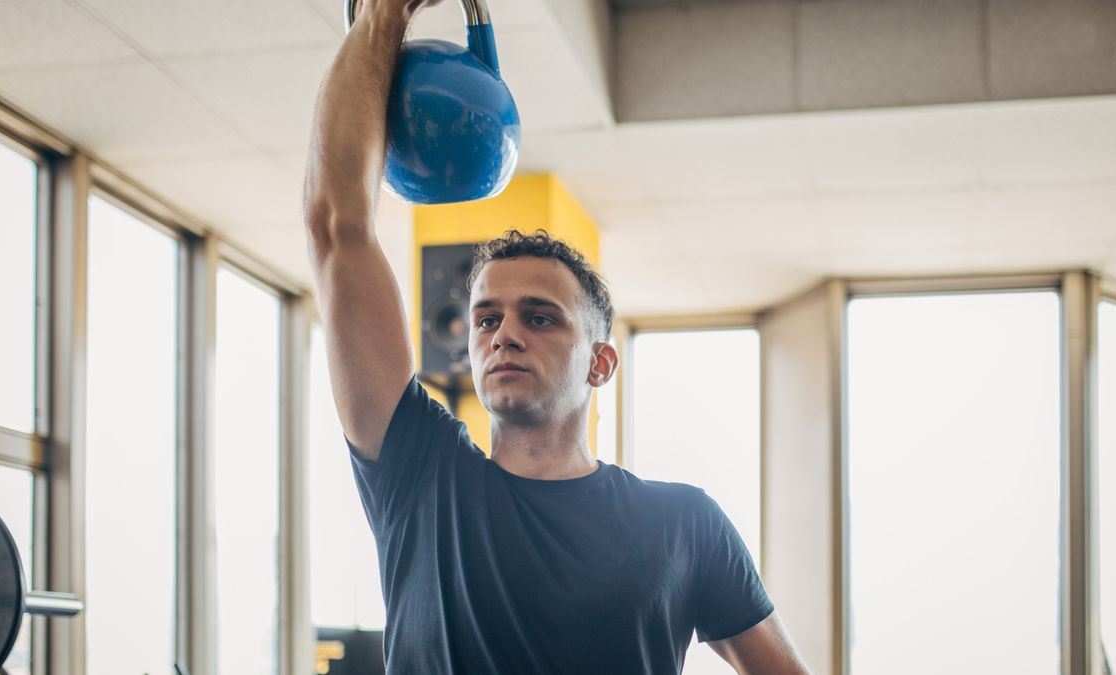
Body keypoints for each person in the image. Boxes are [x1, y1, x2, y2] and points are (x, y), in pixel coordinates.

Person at [303, 0, 810, 672]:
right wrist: (384, 18)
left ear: (601, 363)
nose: (504, 333)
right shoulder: (421, 477)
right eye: (487, 318)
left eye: (539, 316)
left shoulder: (684, 525)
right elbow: (338, 230)